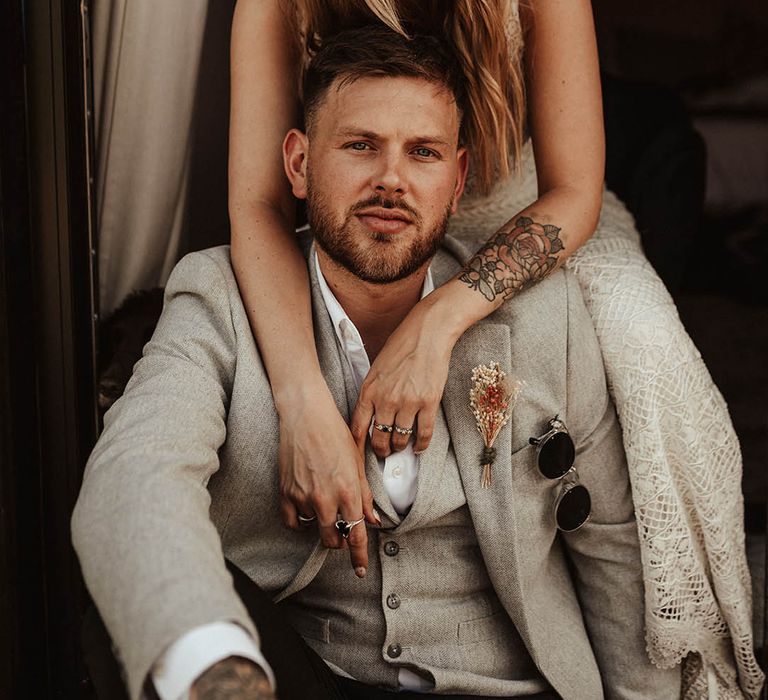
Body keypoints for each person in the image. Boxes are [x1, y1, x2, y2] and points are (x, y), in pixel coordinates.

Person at [73, 27, 683, 700]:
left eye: (421, 153)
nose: (391, 179)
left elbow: (612, 546)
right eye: (360, 145)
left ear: (458, 182)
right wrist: (213, 666)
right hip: (311, 677)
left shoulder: (544, 315)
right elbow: (135, 475)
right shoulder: (220, 297)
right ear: (299, 164)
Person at [228, 3, 762, 696]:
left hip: (531, 214)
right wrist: (299, 400)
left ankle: (672, 661)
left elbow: (573, 193)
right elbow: (257, 204)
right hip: (366, 231)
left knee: (638, 334)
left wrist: (437, 321)